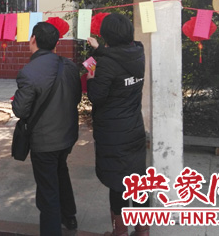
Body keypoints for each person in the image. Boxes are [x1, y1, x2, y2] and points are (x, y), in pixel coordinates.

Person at [12, 21, 82, 236]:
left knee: (47, 190)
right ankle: (69, 216)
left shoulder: (29, 72)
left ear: (32, 40)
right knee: (61, 170)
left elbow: (20, 110)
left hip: (44, 141)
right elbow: (76, 98)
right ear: (56, 43)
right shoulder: (69, 65)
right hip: (67, 135)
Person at [86, 13, 149, 236]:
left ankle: (119, 231)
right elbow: (117, 60)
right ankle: (143, 231)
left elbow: (96, 96)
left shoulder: (105, 64)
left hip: (113, 133)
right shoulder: (138, 53)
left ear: (107, 35)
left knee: (118, 183)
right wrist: (98, 51)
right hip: (134, 128)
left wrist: (91, 73)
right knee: (138, 181)